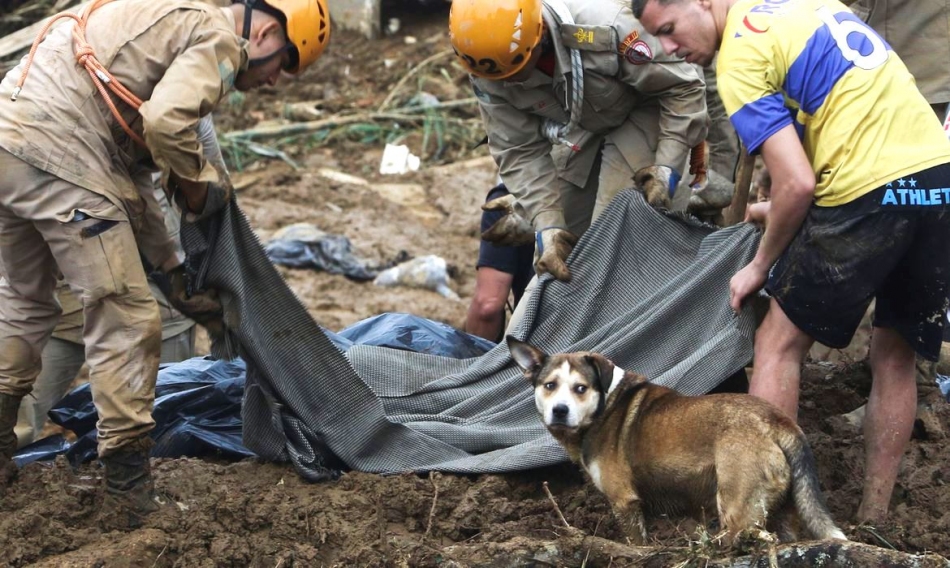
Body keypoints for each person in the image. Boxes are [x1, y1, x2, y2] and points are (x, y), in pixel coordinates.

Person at [0, 0, 330, 528]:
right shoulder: (219, 36)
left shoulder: (165, 26)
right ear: (268, 32)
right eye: (283, 65)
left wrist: (172, 271)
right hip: (61, 152)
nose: (273, 83)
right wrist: (202, 187)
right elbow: (166, 125)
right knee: (128, 319)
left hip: (10, 139)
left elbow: (136, 187)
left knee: (25, 302)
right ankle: (128, 491)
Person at [633, 0, 950, 523]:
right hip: (935, 182)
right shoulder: (803, 6)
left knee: (777, 344)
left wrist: (759, 264)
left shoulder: (738, 53)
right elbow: (827, 134)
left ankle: (759, 517)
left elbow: (799, 184)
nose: (670, 49)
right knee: (893, 357)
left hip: (865, 190)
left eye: (668, 29)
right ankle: (874, 521)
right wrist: (773, 205)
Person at [449, 0, 709, 283]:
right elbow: (519, 150)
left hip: (646, 109)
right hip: (580, 125)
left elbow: (683, 87)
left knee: (611, 238)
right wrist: (547, 225)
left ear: (541, 36)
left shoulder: (605, 25)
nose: (510, 84)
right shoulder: (488, 68)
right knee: (558, 254)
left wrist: (668, 166)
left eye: (518, 72)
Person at [464, 182, 535, 343]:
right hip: (599, 345)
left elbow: (488, 305)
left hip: (538, 352)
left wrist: (476, 364)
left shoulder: (508, 200)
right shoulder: (602, 201)